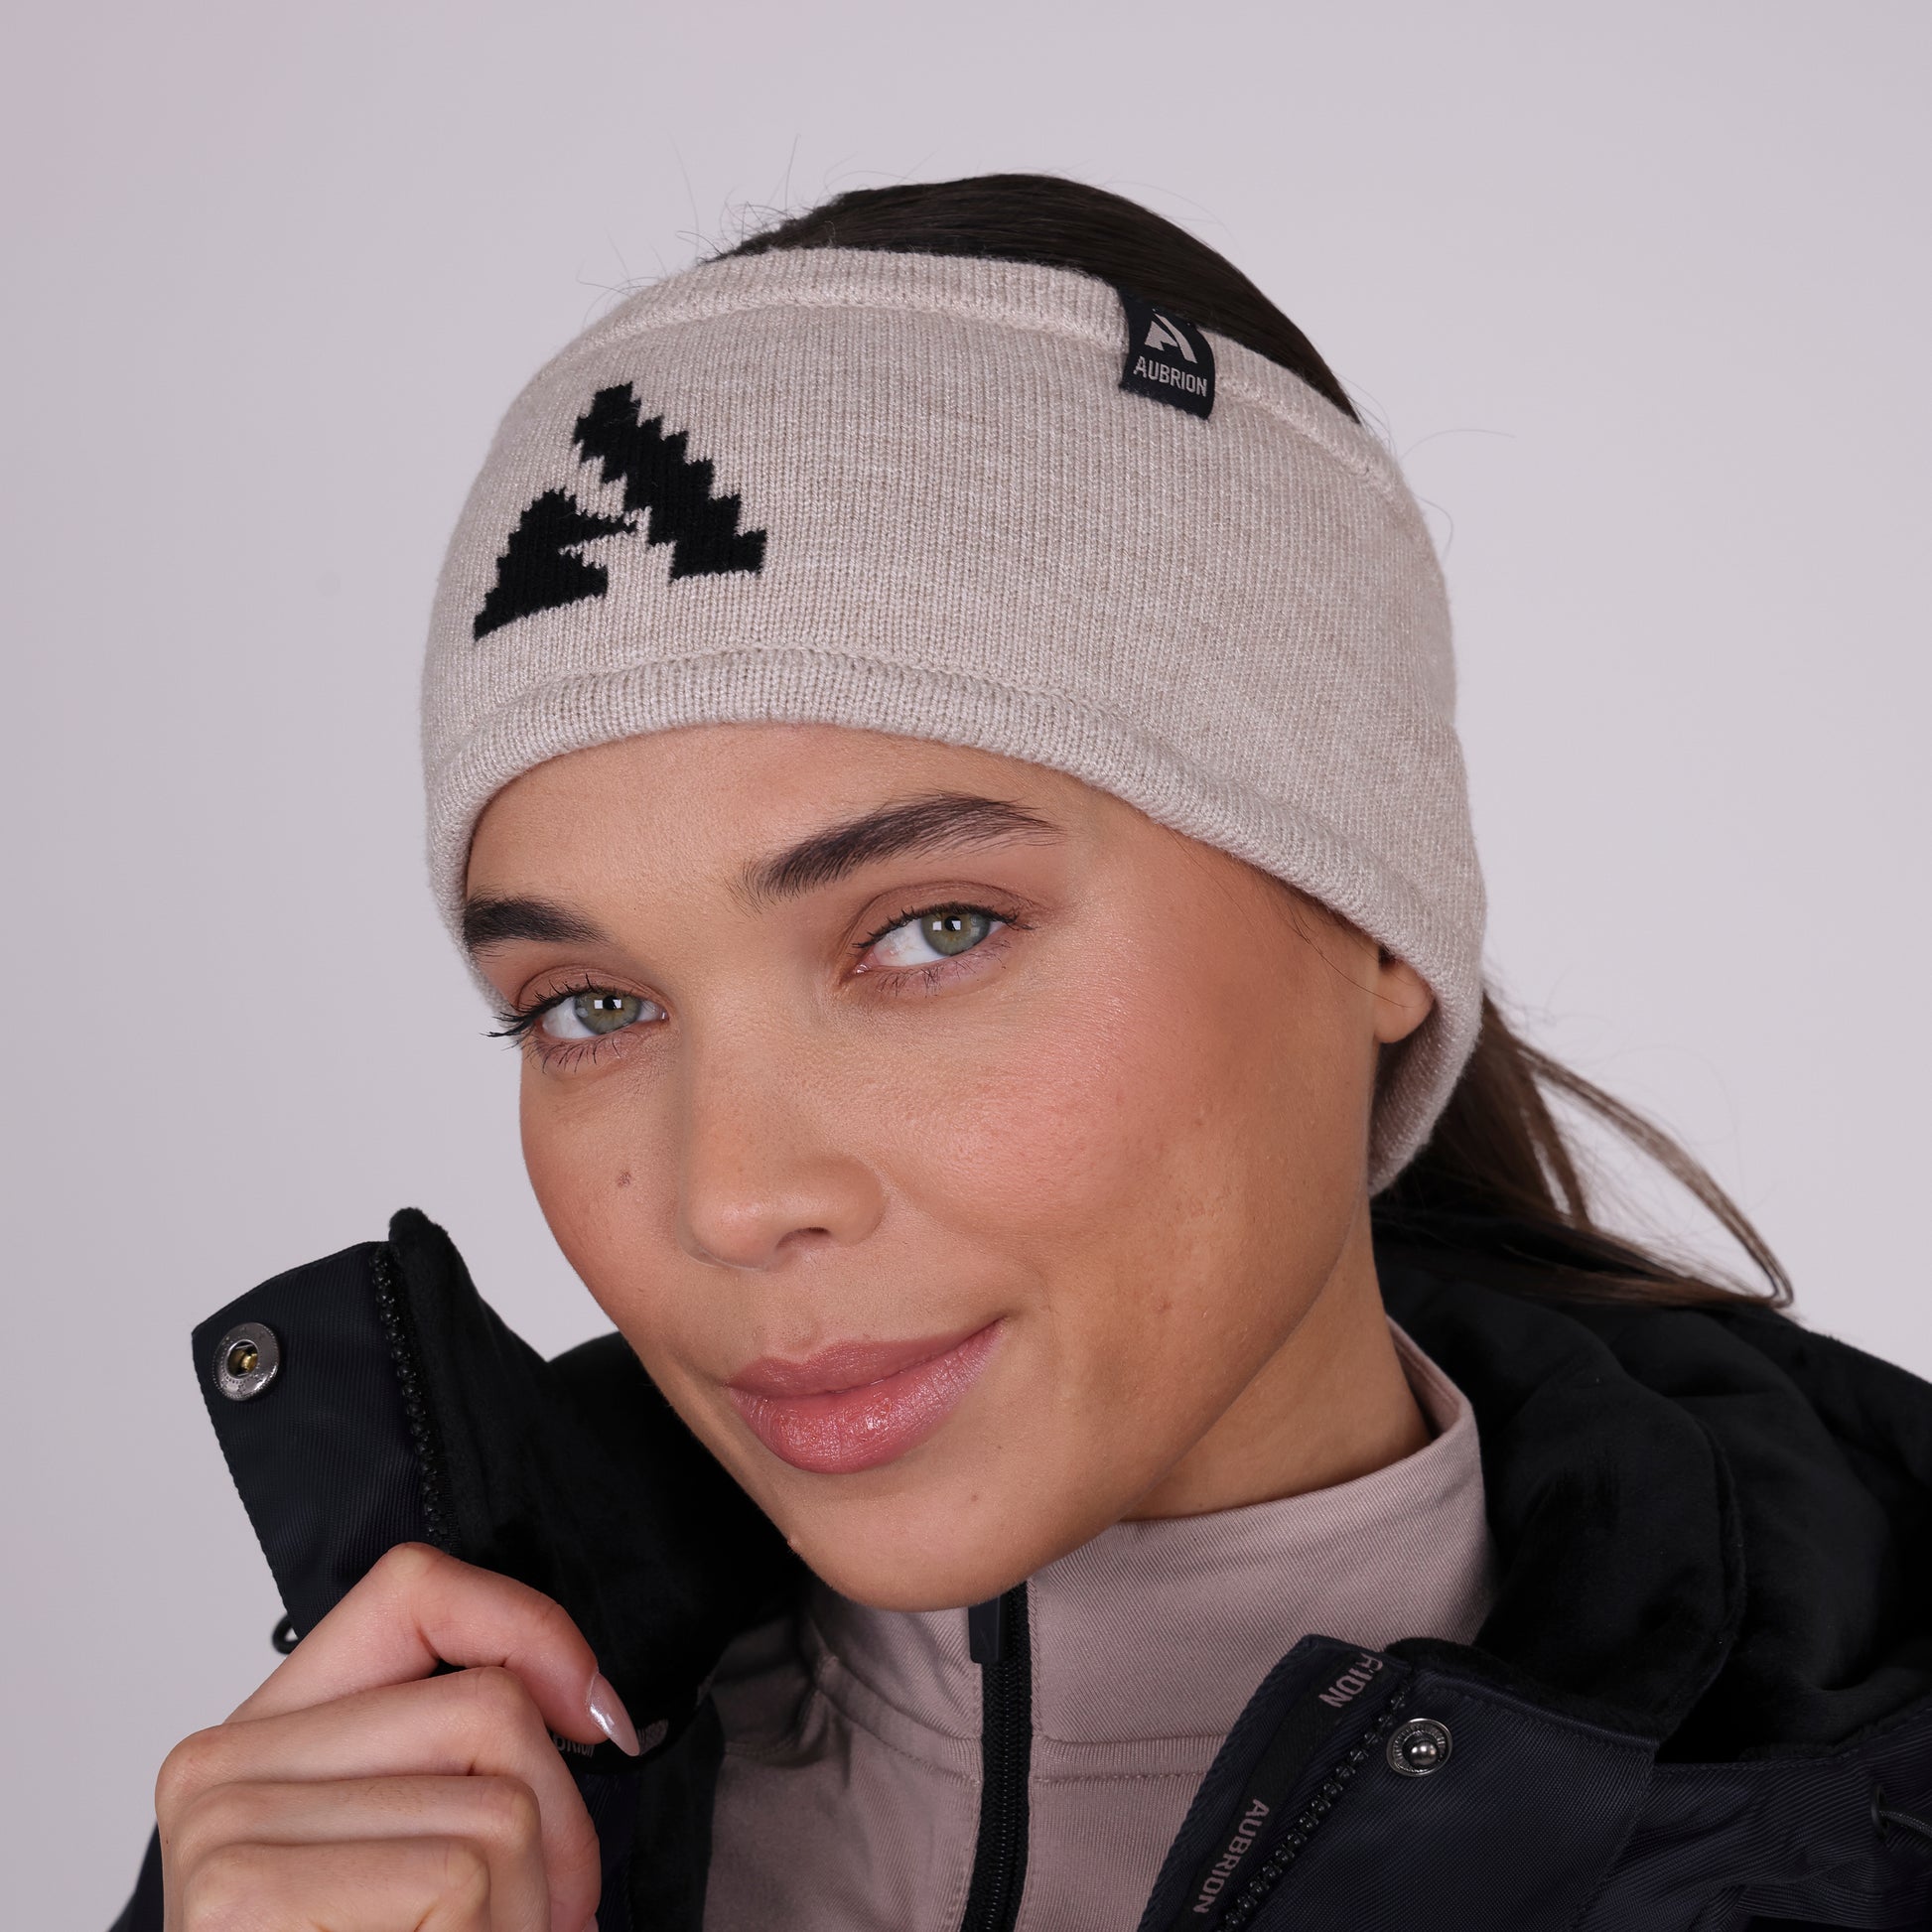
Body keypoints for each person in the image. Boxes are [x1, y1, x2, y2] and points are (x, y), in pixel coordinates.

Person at [116, 175, 1932, 1932]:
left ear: (1376, 914)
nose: (731, 1195)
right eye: (590, 1006)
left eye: (933, 930)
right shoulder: (386, 1837)